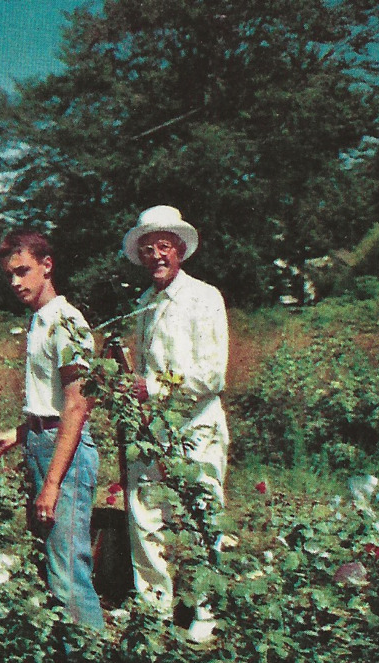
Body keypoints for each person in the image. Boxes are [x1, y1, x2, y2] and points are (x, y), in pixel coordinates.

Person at [121, 205, 230, 643]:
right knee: (144, 512)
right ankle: (154, 606)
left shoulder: (204, 297)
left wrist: (152, 388)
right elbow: (140, 366)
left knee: (202, 512)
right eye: (148, 249)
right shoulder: (144, 304)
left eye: (164, 246)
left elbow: (213, 372)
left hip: (198, 425)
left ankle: (206, 609)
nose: (156, 256)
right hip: (153, 430)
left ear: (180, 250)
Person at [0, 230, 106, 632]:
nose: (16, 282)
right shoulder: (38, 321)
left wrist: (53, 483)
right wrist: (21, 434)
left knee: (69, 571)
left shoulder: (67, 322)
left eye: (23, 271)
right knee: (53, 565)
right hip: (41, 442)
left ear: (47, 266)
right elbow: (51, 399)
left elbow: (77, 405)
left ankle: (90, 653)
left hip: (65, 454)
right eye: (9, 275)